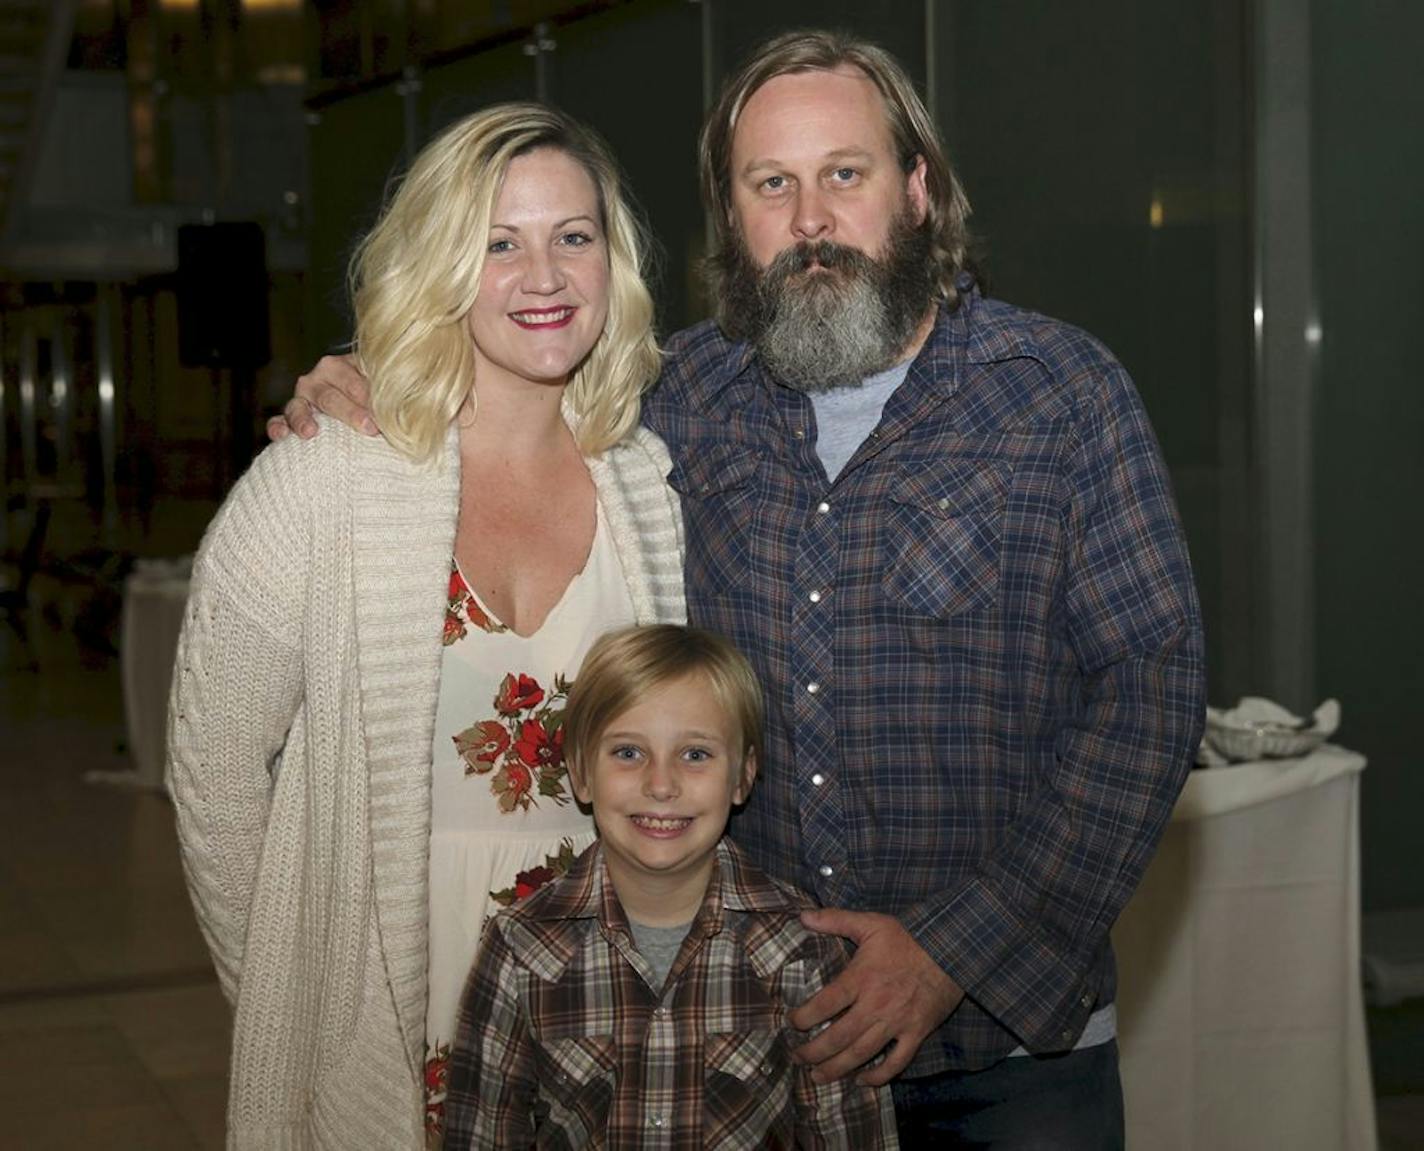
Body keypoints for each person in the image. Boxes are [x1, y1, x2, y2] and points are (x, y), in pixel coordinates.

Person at [275, 29, 1205, 1148]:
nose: (809, 219)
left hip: (1007, 1056)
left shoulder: (1057, 395)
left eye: (842, 176)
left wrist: (954, 949)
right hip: (747, 1058)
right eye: (772, 185)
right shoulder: (672, 402)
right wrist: (364, 375)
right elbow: (508, 381)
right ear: (733, 216)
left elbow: (1149, 690)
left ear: (916, 190)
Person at [168, 103, 685, 1149]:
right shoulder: (322, 478)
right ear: (439, 264)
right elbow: (213, 770)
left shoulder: (645, 488)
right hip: (388, 1006)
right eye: (497, 242)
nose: (541, 277)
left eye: (570, 237)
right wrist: (293, 994)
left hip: (607, 1016)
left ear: (610, 261)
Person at [443, 623, 898, 1148]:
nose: (661, 785)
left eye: (696, 754)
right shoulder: (519, 949)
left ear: (743, 776)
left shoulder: (801, 949)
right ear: (581, 774)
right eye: (628, 753)